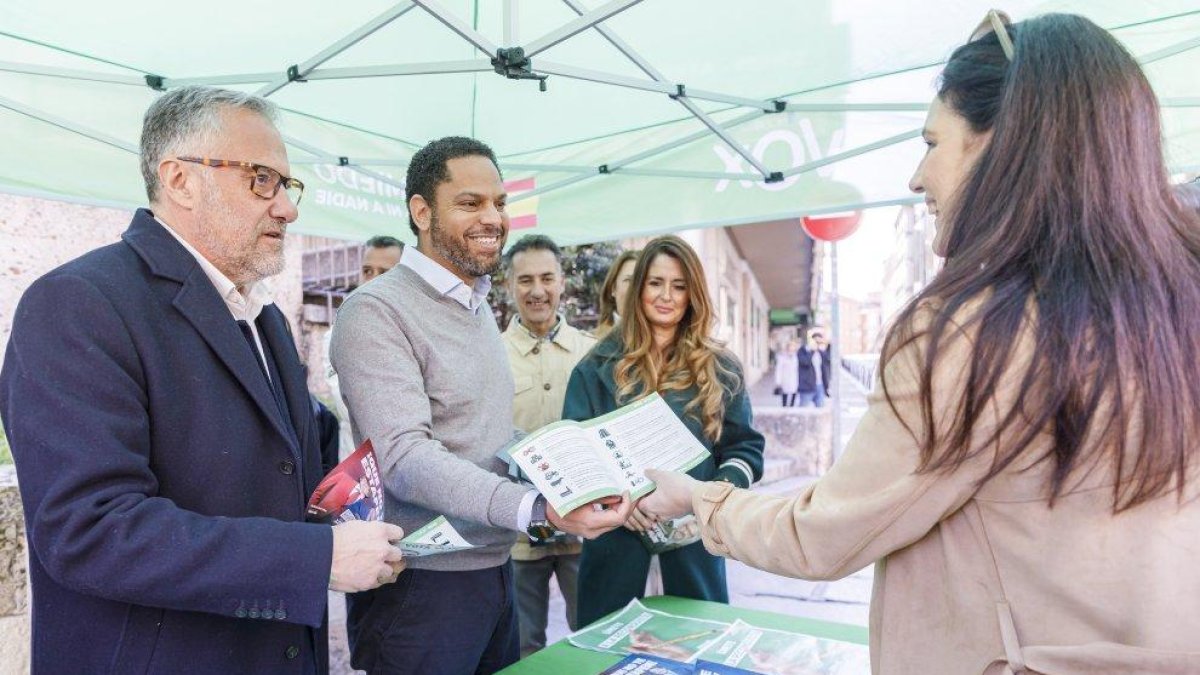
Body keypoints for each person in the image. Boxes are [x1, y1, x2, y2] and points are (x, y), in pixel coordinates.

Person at [641, 12, 1200, 674]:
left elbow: (823, 536)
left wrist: (695, 497)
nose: (916, 176)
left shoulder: (970, 331)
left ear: (1001, 144)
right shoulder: (1175, 304)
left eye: (932, 141)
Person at [0, 86, 405, 675]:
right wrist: (314, 560)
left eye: (286, 186)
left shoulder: (260, 314)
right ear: (181, 180)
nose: (287, 208)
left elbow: (285, 465)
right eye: (261, 179)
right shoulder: (77, 303)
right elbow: (90, 530)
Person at [329, 136, 633, 674]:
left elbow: (485, 436)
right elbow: (404, 458)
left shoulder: (474, 305)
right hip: (420, 590)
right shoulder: (374, 311)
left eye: (499, 202)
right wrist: (537, 508)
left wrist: (570, 474)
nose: (493, 217)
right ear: (421, 212)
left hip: (493, 573)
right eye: (470, 203)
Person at [563, 235, 765, 627]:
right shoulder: (594, 367)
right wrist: (618, 504)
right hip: (616, 546)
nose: (666, 296)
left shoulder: (721, 367)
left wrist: (706, 498)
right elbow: (576, 456)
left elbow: (745, 449)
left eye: (679, 285)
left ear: (694, 294)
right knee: (609, 658)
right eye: (655, 283)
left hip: (693, 547)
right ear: (639, 287)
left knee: (695, 647)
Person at [499, 234, 596, 657]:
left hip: (586, 529)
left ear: (561, 283)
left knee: (593, 638)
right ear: (508, 286)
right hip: (518, 531)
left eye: (546, 278)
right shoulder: (492, 355)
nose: (537, 291)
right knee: (523, 646)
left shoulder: (592, 354)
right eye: (525, 280)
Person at [324, 235, 405, 460]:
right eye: (367, 271)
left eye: (385, 273)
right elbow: (355, 408)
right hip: (358, 474)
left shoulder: (420, 335)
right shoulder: (337, 335)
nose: (372, 281)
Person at [594, 249, 640, 339]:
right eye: (628, 280)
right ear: (613, 288)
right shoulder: (591, 342)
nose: (636, 288)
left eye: (642, 280)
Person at [794, 329, 831, 408]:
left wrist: (829, 344)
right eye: (816, 342)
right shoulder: (803, 351)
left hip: (820, 386)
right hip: (807, 387)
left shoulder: (821, 353)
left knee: (820, 411)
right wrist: (812, 351)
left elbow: (829, 359)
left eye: (819, 342)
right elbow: (805, 362)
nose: (817, 344)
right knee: (803, 411)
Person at [772, 339, 800, 407]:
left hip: (794, 380)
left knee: (793, 396)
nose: (791, 351)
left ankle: (791, 408)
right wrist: (778, 382)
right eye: (790, 349)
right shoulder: (782, 358)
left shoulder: (796, 357)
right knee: (785, 396)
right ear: (787, 349)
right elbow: (778, 370)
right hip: (785, 380)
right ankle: (784, 409)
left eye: (793, 349)